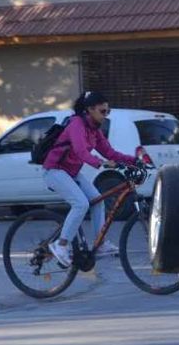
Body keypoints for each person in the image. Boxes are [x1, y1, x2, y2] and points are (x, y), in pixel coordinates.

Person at [43, 91, 137, 266]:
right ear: (89, 110)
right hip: (54, 171)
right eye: (102, 111)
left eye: (107, 112)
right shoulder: (76, 124)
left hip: (71, 172)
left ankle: (100, 244)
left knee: (97, 200)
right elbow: (81, 151)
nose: (105, 115)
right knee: (81, 203)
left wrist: (134, 160)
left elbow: (110, 152)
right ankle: (61, 244)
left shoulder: (94, 130)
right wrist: (101, 163)